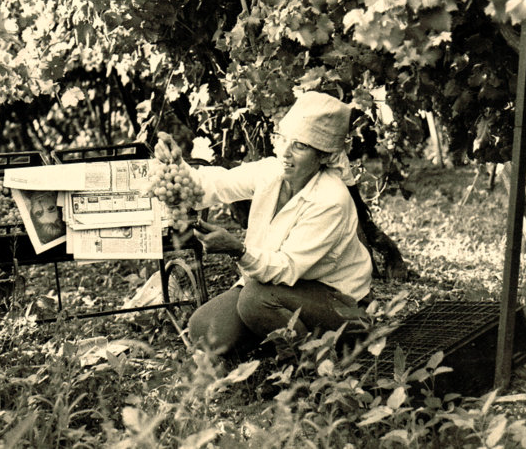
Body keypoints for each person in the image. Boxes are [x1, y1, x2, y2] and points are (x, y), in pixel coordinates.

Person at [153, 91, 373, 356]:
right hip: (277, 290)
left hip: (337, 302)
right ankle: (277, 334)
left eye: (300, 146)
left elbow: (287, 268)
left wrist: (238, 250)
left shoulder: (330, 199)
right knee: (204, 329)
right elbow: (217, 184)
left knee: (255, 300)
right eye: (283, 140)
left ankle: (309, 367)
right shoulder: (272, 172)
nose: (285, 153)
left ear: (324, 156)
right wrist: (178, 166)